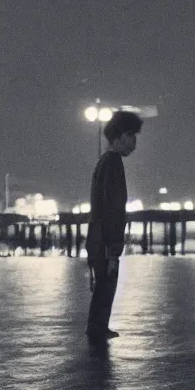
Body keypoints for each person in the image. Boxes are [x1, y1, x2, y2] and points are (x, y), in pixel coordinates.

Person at [85, 110, 142, 340]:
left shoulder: (105, 162)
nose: (134, 143)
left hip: (97, 236)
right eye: (130, 136)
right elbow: (112, 208)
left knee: (103, 285)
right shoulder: (113, 163)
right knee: (107, 283)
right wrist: (112, 247)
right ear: (118, 137)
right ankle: (98, 329)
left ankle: (97, 326)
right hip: (105, 239)